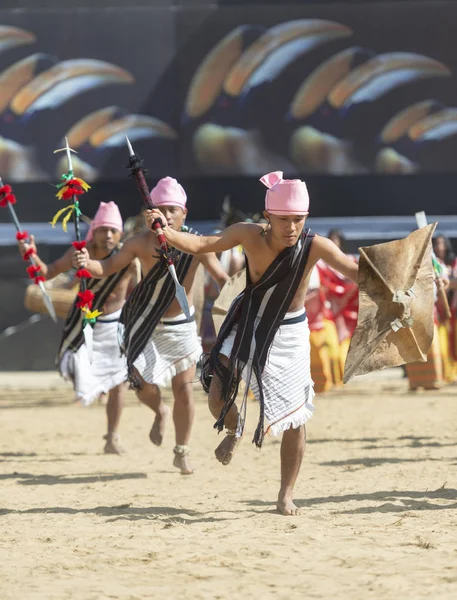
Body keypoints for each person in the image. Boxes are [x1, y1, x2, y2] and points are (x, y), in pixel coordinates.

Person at [143, 170, 358, 515]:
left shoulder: (316, 245)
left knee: (295, 419)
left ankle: (286, 494)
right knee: (216, 393)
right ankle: (234, 427)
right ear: (268, 217)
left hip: (289, 333)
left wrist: (399, 277)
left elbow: (356, 273)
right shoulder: (248, 234)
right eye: (284, 220)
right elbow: (201, 245)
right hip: (247, 322)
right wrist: (165, 231)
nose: (291, 227)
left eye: (298, 220)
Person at [72, 177, 229, 474]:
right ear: (149, 214)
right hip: (146, 324)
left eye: (173, 210)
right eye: (161, 209)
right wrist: (86, 263)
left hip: (182, 327)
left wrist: (243, 295)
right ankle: (160, 411)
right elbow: (105, 268)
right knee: (141, 385)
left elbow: (222, 279)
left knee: (184, 390)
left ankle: (181, 450)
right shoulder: (137, 244)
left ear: (184, 213)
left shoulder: (198, 244)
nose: (167, 215)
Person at [18, 201, 138, 454]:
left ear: (120, 234)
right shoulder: (79, 253)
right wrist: (31, 254)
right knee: (74, 368)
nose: (107, 235)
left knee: (120, 382)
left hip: (115, 324)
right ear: (93, 231)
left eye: (112, 230)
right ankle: (93, 386)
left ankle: (111, 437)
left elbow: (143, 290)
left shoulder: (127, 258)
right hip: (83, 324)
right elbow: (47, 272)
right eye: (102, 229)